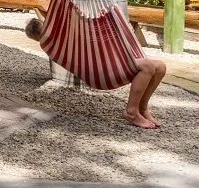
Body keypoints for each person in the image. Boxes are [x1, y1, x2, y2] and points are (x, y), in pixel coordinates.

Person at [24, 17, 167, 129]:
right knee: (147, 67)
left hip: (108, 63)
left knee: (160, 67)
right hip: (100, 72)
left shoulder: (58, 37)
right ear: (39, 33)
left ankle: (142, 107)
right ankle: (131, 111)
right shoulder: (52, 43)